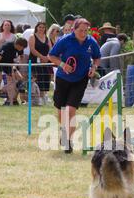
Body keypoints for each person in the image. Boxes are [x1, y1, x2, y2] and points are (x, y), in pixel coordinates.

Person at [48, 18, 101, 154]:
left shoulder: (91, 42)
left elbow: (97, 57)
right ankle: (63, 129)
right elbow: (51, 56)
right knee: (61, 112)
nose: (83, 33)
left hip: (80, 79)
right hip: (63, 78)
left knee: (71, 110)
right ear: (74, 29)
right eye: (80, 30)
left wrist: (94, 67)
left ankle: (68, 141)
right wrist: (63, 65)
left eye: (86, 31)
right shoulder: (65, 40)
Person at [0, 37, 28, 106]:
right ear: (18, 45)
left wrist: (20, 68)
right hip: (0, 64)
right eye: (22, 48)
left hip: (10, 64)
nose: (22, 49)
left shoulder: (20, 49)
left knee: (20, 79)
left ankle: (13, 99)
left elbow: (21, 57)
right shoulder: (6, 47)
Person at [29, 22, 52, 105]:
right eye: (40, 27)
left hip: (45, 62)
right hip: (35, 62)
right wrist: (42, 57)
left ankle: (44, 97)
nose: (41, 29)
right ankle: (37, 98)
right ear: (36, 27)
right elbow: (32, 49)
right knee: (37, 79)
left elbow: (51, 49)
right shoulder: (32, 37)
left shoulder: (47, 38)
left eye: (43, 27)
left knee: (45, 79)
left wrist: (47, 58)